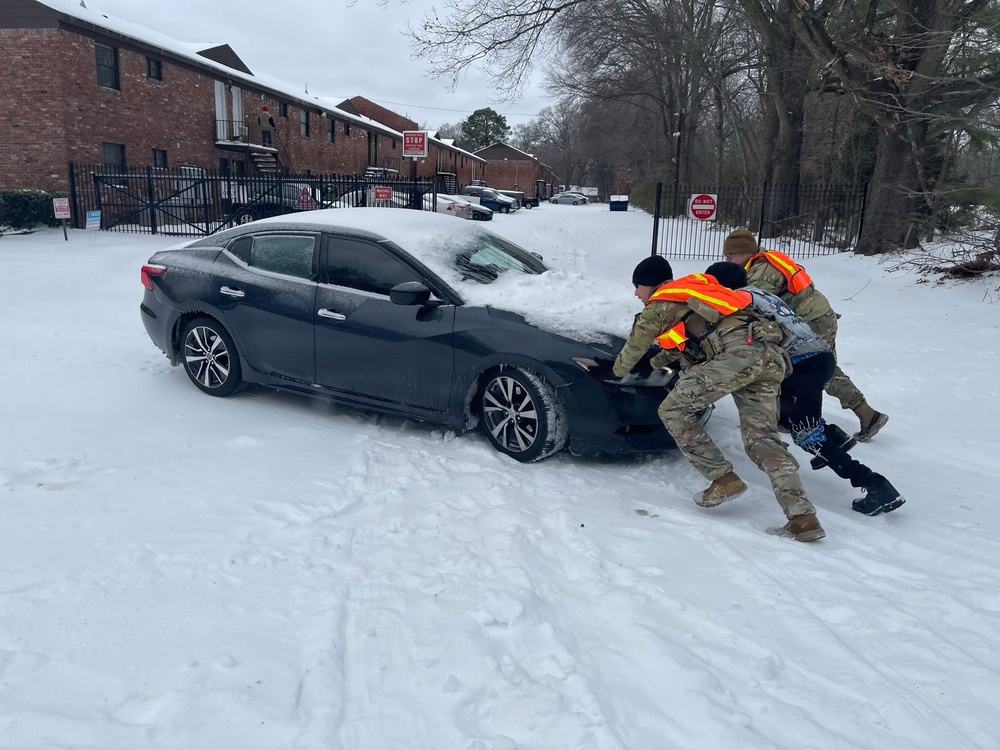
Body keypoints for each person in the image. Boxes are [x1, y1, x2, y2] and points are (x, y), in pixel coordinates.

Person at [611, 255, 826, 542]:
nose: (636, 293)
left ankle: (723, 479)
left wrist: (613, 370)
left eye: (637, 286)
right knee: (762, 440)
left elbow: (633, 347)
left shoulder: (660, 302)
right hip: (768, 357)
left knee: (673, 410)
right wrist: (652, 364)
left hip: (737, 356)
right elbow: (686, 345)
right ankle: (803, 518)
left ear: (650, 284)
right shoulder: (694, 294)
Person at [705, 261, 905, 515]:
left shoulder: (736, 301)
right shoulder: (759, 293)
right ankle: (834, 437)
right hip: (819, 355)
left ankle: (876, 486)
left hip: (800, 366)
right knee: (784, 416)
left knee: (806, 434)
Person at [721, 229, 888, 442]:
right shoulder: (760, 261)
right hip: (811, 317)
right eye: (726, 255)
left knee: (818, 368)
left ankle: (866, 414)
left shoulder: (763, 271)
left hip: (811, 321)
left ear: (745, 252)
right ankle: (787, 415)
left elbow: (753, 303)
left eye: (730, 256)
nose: (727, 259)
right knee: (794, 365)